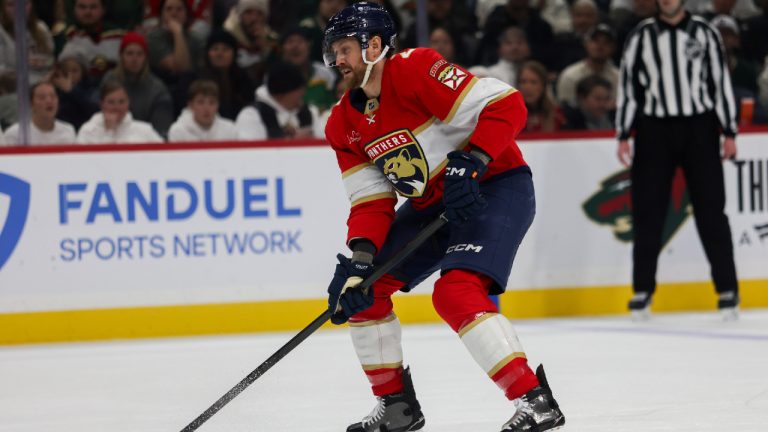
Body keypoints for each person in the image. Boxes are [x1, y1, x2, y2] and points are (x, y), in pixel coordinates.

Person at [321, 3, 565, 432]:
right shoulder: (343, 123)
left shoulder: (417, 69)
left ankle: (535, 400)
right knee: (364, 291)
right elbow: (370, 201)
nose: (337, 60)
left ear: (374, 46)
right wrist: (361, 260)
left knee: (456, 293)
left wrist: (473, 160)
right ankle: (397, 407)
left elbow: (508, 106)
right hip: (432, 205)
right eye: (334, 51)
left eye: (345, 49)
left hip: (495, 185)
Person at [615, 0, 740, 319]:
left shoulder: (705, 33)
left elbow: (720, 83)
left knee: (711, 209)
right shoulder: (641, 36)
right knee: (647, 211)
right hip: (654, 128)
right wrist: (623, 133)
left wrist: (729, 131)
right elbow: (629, 86)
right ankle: (642, 290)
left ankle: (728, 290)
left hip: (699, 127)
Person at [102, 32, 174, 138]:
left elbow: (162, 130)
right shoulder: (109, 80)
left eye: (139, 54)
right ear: (121, 56)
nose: (134, 59)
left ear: (146, 57)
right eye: (129, 53)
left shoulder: (157, 89)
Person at [235, 60, 323, 140]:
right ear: (280, 95)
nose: (303, 93)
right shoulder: (252, 115)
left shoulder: (310, 112)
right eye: (298, 90)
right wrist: (290, 141)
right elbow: (250, 153)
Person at [77, 80, 164, 144]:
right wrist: (109, 132)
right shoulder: (88, 131)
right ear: (101, 104)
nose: (117, 107)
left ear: (128, 103)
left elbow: (164, 155)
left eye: (121, 102)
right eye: (111, 102)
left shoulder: (145, 131)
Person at [556, 22, 619, 108]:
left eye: (606, 42)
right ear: (586, 44)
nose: (600, 46)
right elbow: (564, 108)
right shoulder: (570, 76)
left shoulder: (619, 77)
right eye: (595, 41)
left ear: (613, 48)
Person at [3, 81, 76, 146]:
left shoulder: (68, 130)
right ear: (31, 104)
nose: (49, 101)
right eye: (42, 97)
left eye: (53, 96)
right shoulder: (15, 133)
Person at [0, 0, 55, 84]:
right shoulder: (1, 32)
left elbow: (51, 61)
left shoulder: (41, 28)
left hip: (45, 86)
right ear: (2, 8)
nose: (18, 9)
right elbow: (2, 72)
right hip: (13, 90)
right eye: (11, 5)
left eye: (24, 4)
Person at [168, 79, 238, 141]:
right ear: (190, 105)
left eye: (212, 102)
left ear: (218, 105)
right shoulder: (178, 131)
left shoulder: (230, 130)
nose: (206, 108)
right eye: (200, 102)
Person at [517, 60, 564, 133]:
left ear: (543, 86)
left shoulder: (558, 115)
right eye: (523, 82)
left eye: (533, 82)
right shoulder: (510, 115)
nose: (527, 87)